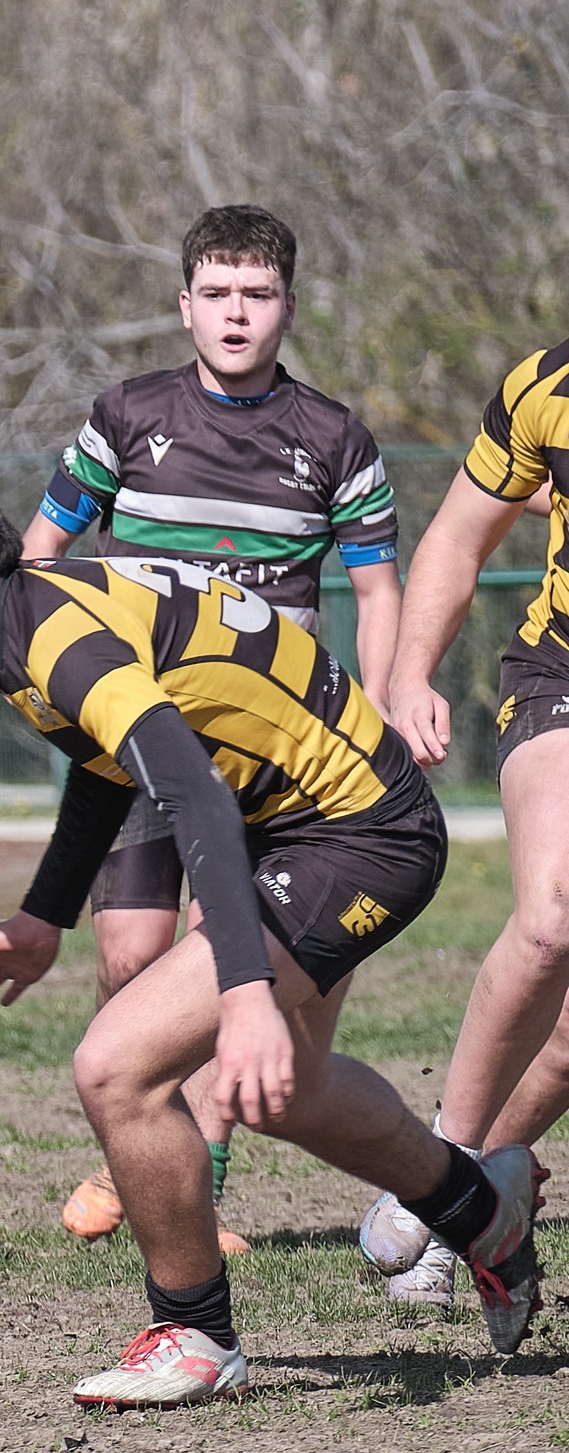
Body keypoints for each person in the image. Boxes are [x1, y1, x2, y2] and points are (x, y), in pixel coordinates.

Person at [0, 443, 543, 1407]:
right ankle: (484, 1213)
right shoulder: (28, 615)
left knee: (117, 1065)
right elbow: (110, 765)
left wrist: (244, 990)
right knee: (288, 1095)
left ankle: (195, 1331)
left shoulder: (51, 636)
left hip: (358, 831)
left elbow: (191, 790)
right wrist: (43, 916)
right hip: (314, 822)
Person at [21, 206, 403, 1264]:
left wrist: (387, 693)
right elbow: (40, 548)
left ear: (285, 305)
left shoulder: (334, 439)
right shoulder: (125, 416)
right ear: (183, 304)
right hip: (144, 734)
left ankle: (198, 1185)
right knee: (131, 952)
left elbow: (377, 590)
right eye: (218, 294)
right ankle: (137, 1131)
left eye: (258, 294)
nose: (237, 314)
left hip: (275, 752)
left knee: (223, 954)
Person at [362, 341, 569, 1295]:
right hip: (560, 676)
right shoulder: (549, 383)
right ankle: (440, 1180)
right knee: (554, 915)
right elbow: (455, 533)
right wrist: (408, 674)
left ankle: (485, 1193)